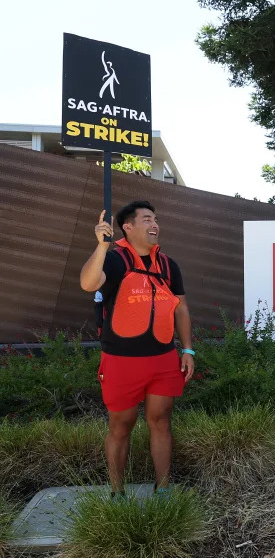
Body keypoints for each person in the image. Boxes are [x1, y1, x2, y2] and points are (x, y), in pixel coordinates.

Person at [79, 201, 195, 495]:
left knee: (161, 422)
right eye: (146, 219)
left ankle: (164, 489)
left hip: (163, 359)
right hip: (121, 361)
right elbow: (88, 283)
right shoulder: (114, 260)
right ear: (128, 227)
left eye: (155, 219)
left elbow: (181, 309)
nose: (154, 224)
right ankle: (117, 493)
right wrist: (101, 247)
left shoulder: (169, 265)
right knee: (121, 426)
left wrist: (188, 349)